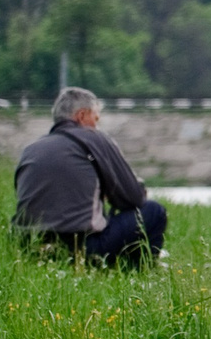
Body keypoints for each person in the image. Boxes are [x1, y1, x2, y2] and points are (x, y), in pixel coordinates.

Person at [12, 87, 165, 265]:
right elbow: (133, 198)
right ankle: (137, 270)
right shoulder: (94, 138)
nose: (96, 125)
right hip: (81, 246)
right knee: (153, 211)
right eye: (96, 118)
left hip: (30, 246)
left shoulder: (31, 149)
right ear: (82, 115)